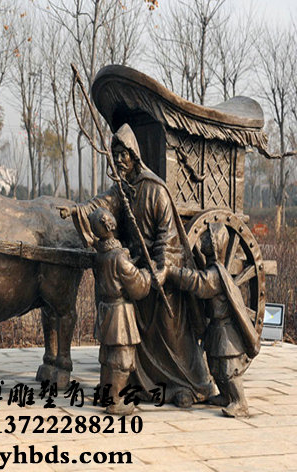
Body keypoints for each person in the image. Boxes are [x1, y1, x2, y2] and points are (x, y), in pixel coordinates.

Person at [58, 123, 213, 407]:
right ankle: (138, 384)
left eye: (123, 154)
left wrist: (161, 269)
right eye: (115, 154)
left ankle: (188, 384)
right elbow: (100, 204)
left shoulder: (156, 190)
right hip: (136, 270)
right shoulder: (122, 189)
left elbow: (167, 236)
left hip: (160, 269)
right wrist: (76, 210)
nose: (119, 160)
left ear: (134, 155)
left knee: (170, 333)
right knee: (135, 335)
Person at [167, 224, 260, 417]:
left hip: (225, 330)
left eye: (208, 238)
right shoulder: (213, 269)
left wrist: (172, 272)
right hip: (216, 327)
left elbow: (199, 282)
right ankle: (225, 396)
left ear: (216, 244)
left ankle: (240, 402)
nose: (203, 241)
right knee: (215, 366)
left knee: (228, 367)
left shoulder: (216, 274)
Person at [88, 208, 151, 415]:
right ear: (110, 225)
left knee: (107, 355)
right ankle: (116, 401)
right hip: (120, 312)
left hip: (106, 309)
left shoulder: (102, 254)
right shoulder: (118, 257)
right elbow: (138, 286)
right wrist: (148, 274)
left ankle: (105, 395)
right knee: (122, 358)